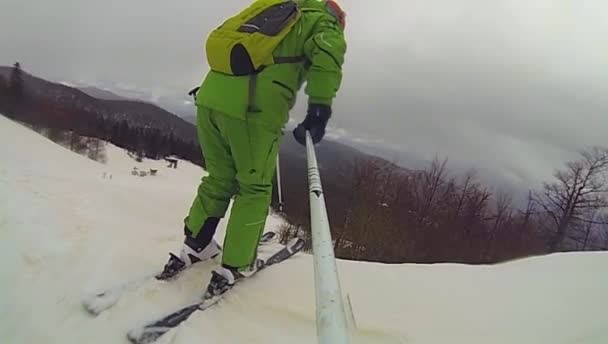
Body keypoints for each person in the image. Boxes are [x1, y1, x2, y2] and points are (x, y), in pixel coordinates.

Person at [158, 0, 347, 297]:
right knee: (254, 188)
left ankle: (196, 243)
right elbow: (327, 57)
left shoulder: (274, 8)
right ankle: (235, 265)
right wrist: (319, 111)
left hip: (209, 100)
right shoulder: (323, 22)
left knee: (219, 178)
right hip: (252, 110)